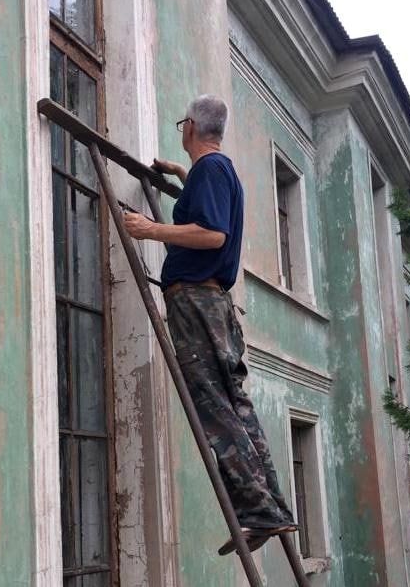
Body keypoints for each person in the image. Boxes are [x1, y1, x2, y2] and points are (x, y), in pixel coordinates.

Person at [123, 94, 297, 555]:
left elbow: (213, 234)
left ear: (192, 127)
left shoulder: (211, 171)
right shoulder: (221, 173)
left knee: (214, 407)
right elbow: (213, 216)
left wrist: (150, 229)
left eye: (183, 122)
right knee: (236, 406)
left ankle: (258, 510)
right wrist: (183, 176)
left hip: (197, 301)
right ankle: (271, 510)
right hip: (215, 303)